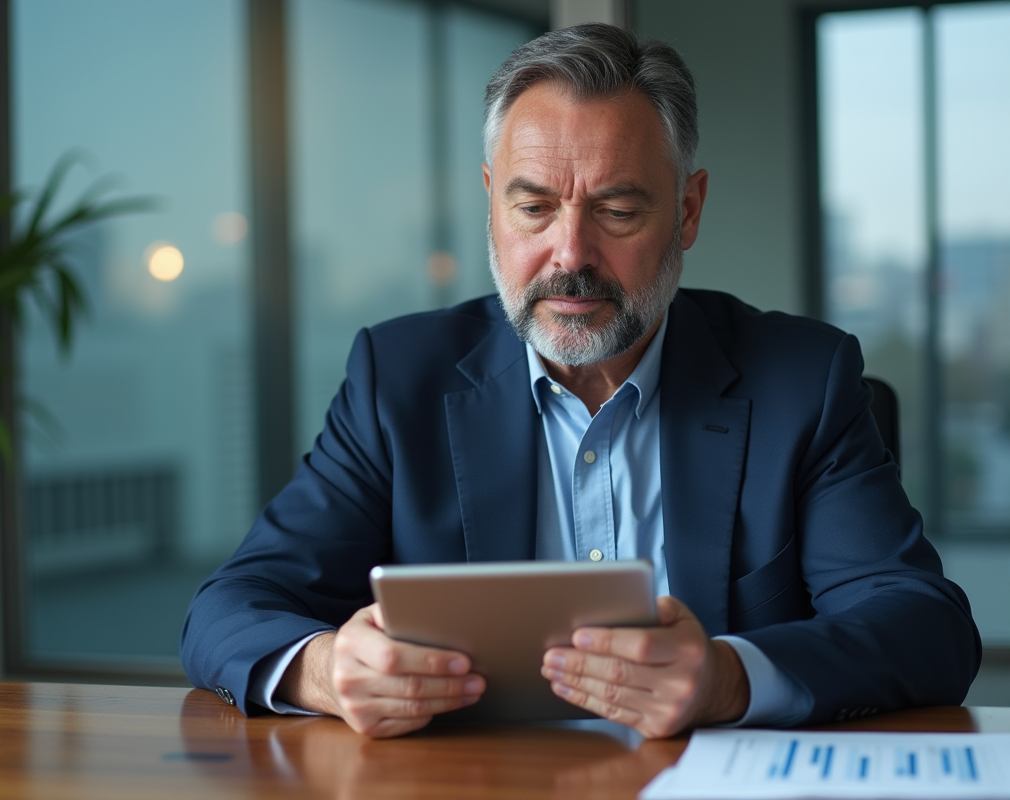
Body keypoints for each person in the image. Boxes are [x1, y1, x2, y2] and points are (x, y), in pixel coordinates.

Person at [181, 23, 981, 739]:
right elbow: (229, 608)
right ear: (491, 203)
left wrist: (727, 679)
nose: (569, 255)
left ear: (688, 211)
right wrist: (325, 671)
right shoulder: (397, 380)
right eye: (534, 208)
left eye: (617, 211)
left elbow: (925, 627)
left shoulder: (802, 381)